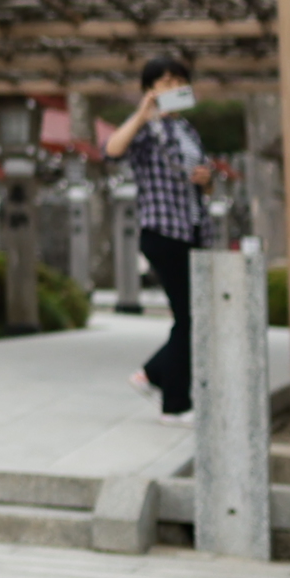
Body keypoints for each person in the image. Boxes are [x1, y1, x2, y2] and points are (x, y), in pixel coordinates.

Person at [101, 51, 216, 416]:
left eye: (180, 81)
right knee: (189, 317)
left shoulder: (187, 130)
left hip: (193, 229)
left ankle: (154, 377)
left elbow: (205, 181)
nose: (175, 87)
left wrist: (206, 180)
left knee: (194, 316)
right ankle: (173, 400)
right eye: (165, 82)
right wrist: (143, 111)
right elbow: (112, 150)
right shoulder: (146, 130)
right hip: (162, 230)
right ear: (150, 88)